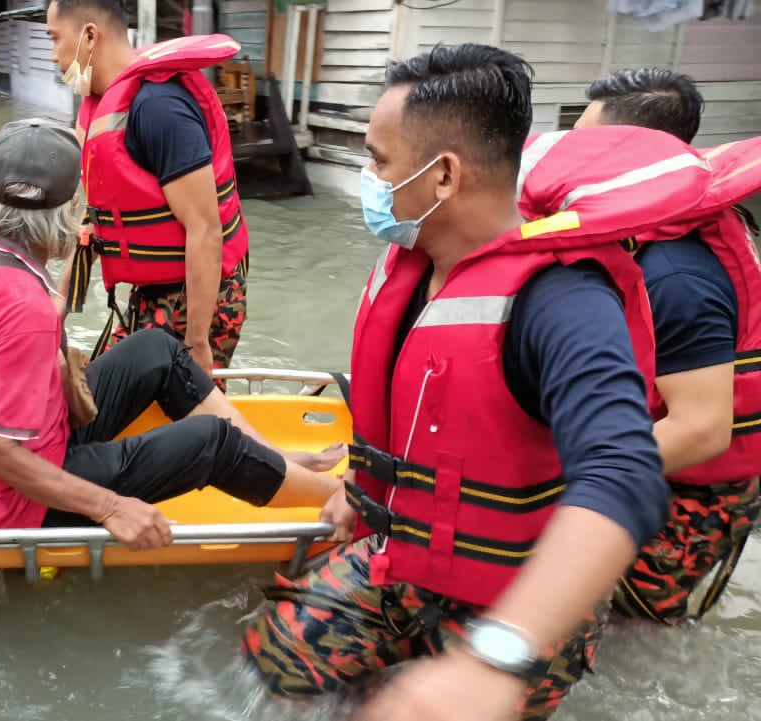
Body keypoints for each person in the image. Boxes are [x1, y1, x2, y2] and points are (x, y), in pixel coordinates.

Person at [239, 44, 713, 721]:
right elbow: (421, 418)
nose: (368, 177)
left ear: (443, 176)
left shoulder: (563, 302)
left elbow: (622, 471)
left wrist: (495, 659)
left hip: (513, 600)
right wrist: (363, 491)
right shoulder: (411, 267)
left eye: (378, 160)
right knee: (276, 654)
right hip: (401, 553)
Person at [0, 118, 346, 550]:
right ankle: (343, 501)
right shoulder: (25, 309)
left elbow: (6, 343)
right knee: (211, 441)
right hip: (16, 498)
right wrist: (111, 506)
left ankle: (273, 460)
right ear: (72, 208)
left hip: (24, 447)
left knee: (154, 348)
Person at [574, 68, 761, 623]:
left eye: (584, 149)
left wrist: (562, 474)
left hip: (692, 496)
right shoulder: (646, 231)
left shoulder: (677, 274)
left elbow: (700, 428)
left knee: (632, 626)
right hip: (647, 453)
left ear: (629, 159)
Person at [47, 0, 250, 377]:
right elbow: (95, 222)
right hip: (151, 296)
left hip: (199, 299)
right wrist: (58, 302)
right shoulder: (101, 107)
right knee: (94, 396)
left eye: (55, 38)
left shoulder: (159, 108)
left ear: (89, 36)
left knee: (130, 407)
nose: (52, 54)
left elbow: (205, 229)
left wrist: (197, 343)